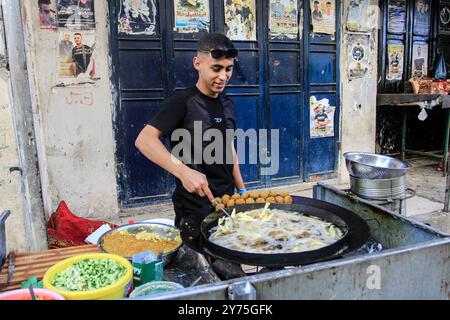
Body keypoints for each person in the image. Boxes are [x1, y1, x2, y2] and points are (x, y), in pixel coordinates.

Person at [135, 33, 246, 230]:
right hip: (195, 209)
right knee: (197, 260)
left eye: (228, 69)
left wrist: (242, 190)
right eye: (216, 68)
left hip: (227, 203)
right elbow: (144, 140)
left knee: (228, 258)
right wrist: (184, 172)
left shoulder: (227, 104)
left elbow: (229, 147)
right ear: (197, 63)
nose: (223, 76)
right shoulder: (182, 102)